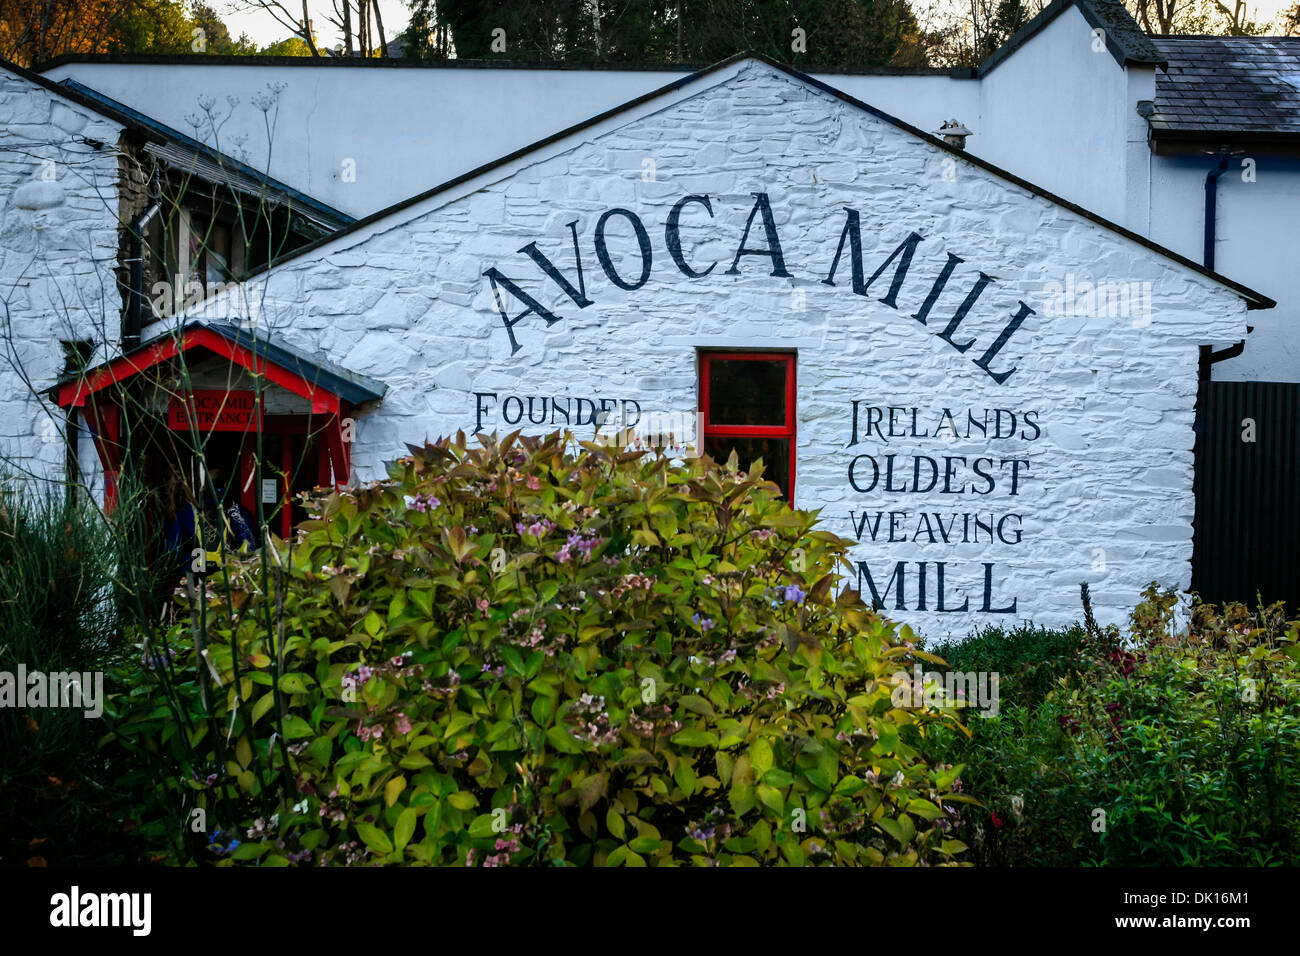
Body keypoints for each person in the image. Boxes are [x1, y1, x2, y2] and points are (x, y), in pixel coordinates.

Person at [165, 465, 258, 575]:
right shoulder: (237, 511)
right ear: (226, 485)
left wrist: (188, 565)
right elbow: (248, 547)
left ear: (203, 486)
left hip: (194, 573)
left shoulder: (189, 510)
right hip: (226, 576)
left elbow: (173, 548)